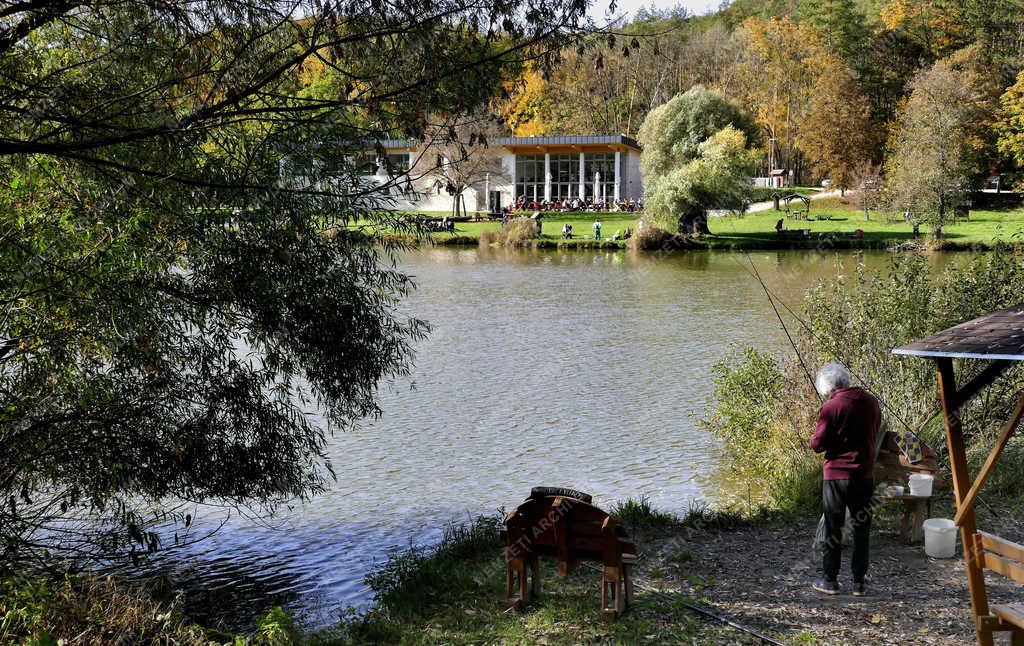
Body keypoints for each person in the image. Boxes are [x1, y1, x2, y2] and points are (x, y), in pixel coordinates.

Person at [810, 363, 881, 598]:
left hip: (836, 477)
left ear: (829, 388)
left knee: (833, 528)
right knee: (862, 529)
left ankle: (830, 581)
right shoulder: (871, 402)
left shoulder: (831, 406)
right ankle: (859, 583)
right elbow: (874, 430)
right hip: (864, 475)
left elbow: (817, 445)